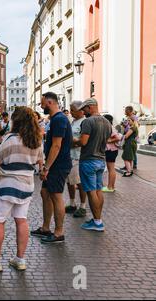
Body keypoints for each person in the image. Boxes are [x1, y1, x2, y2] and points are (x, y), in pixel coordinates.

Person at [0, 107, 43, 272]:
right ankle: (20, 259)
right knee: (21, 220)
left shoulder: (10, 138)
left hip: (8, 185)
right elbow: (39, 162)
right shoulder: (36, 140)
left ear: (16, 121)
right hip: (26, 185)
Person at [31, 92, 72, 244]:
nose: (41, 106)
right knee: (44, 192)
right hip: (55, 163)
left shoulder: (59, 119)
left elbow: (56, 145)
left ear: (49, 102)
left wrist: (46, 167)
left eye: (42, 103)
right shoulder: (55, 119)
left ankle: (59, 232)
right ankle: (45, 228)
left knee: (56, 196)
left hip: (58, 164)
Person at [75, 98, 112, 232]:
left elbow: (83, 142)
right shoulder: (107, 122)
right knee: (98, 190)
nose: (83, 112)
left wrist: (74, 141)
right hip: (101, 160)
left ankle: (97, 222)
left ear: (91, 107)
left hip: (88, 160)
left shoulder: (88, 122)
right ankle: (98, 219)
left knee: (91, 191)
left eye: (84, 109)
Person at [65, 101, 88, 218]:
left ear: (80, 110)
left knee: (79, 182)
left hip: (78, 156)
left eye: (73, 110)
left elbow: (84, 141)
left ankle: (83, 206)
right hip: (70, 155)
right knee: (70, 181)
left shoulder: (84, 122)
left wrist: (73, 142)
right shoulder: (73, 121)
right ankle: (72, 203)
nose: (71, 112)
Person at [103, 115, 122, 192]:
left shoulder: (110, 127)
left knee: (111, 168)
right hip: (111, 150)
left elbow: (117, 138)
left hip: (111, 150)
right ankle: (111, 186)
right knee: (111, 168)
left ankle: (110, 187)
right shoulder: (109, 127)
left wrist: (108, 141)